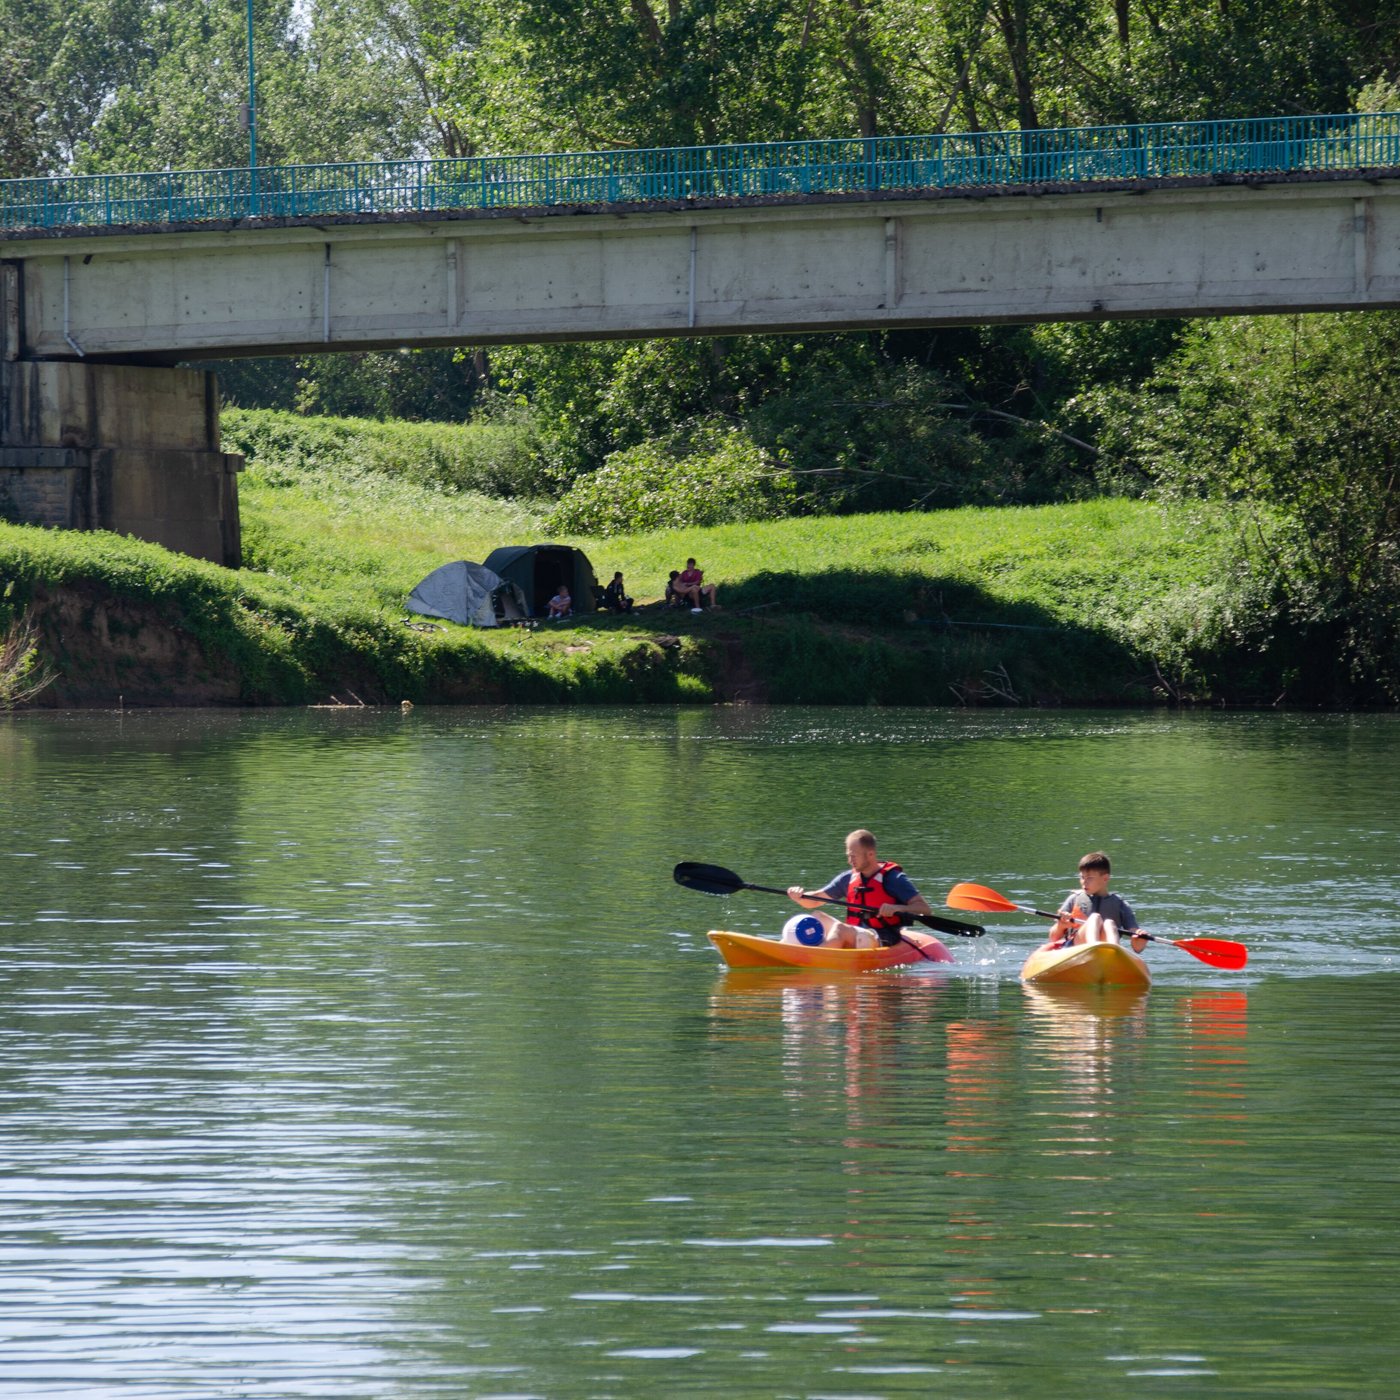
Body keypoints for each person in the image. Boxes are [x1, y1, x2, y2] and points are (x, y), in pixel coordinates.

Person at [786, 828, 934, 949]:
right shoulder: (848, 878)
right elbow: (815, 900)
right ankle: (790, 949)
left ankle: (814, 956)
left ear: (870, 854)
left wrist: (897, 908)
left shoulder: (893, 879)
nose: (850, 861)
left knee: (839, 928)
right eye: (848, 856)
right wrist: (800, 896)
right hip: (857, 933)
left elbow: (924, 909)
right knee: (817, 916)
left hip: (883, 936)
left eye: (854, 856)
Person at [1043, 851, 1148, 953]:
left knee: (1109, 923)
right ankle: (1093, 948)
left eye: (1090, 878)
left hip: (1105, 948)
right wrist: (1061, 925)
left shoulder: (1120, 904)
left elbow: (1137, 948)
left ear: (1105, 878)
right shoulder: (1074, 899)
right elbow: (1053, 937)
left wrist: (1139, 940)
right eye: (1082, 877)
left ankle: (1114, 952)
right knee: (1095, 918)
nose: (1084, 882)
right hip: (1076, 947)